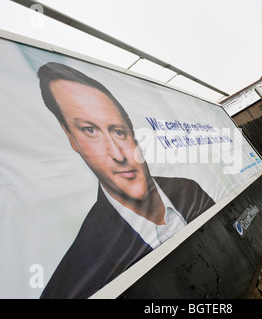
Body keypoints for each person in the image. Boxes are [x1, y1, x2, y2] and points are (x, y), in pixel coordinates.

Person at [37, 62, 215, 299]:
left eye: (118, 131)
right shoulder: (76, 281)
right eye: (90, 130)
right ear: (72, 139)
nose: (118, 155)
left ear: (133, 134)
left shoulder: (188, 189)